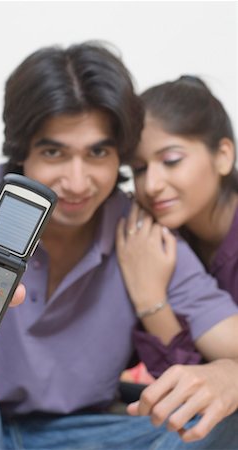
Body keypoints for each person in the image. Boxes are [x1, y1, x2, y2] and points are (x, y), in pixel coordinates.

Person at [0, 44, 238, 450]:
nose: (77, 182)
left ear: (120, 157)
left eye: (97, 153)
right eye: (53, 152)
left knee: (226, 414)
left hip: (83, 434)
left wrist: (230, 377)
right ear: (22, 152)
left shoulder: (139, 233)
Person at [117, 75, 238, 443]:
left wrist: (151, 298)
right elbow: (193, 390)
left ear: (223, 156)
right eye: (138, 169)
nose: (151, 184)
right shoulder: (154, 240)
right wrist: (149, 297)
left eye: (170, 160)